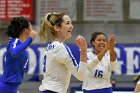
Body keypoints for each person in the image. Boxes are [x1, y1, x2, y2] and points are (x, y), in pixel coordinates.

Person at [39, 12, 87, 93]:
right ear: (57, 27)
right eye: (67, 23)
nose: (71, 26)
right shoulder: (61, 47)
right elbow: (81, 75)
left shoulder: (51, 46)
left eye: (71, 23)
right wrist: (84, 51)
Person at [0, 16, 37, 93]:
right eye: (31, 27)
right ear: (25, 30)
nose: (32, 30)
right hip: (6, 86)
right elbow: (14, 53)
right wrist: (30, 39)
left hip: (13, 86)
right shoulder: (14, 41)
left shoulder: (21, 44)